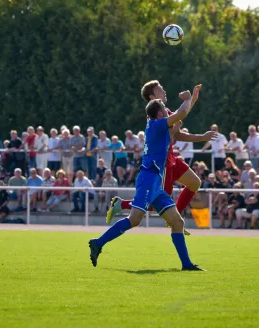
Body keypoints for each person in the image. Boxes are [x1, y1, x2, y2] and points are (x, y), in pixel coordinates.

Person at [89, 88, 203, 271]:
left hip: (156, 181)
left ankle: (187, 264)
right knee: (135, 219)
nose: (167, 112)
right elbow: (181, 113)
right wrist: (188, 98)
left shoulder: (157, 125)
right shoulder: (157, 124)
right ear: (160, 113)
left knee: (177, 222)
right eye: (165, 110)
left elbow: (177, 123)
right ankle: (98, 242)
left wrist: (191, 103)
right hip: (149, 178)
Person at [107, 81, 217, 228]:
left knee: (194, 182)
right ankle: (122, 204)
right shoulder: (155, 117)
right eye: (160, 90)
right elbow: (180, 117)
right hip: (162, 163)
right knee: (158, 203)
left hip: (171, 159)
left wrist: (193, 99)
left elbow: (178, 126)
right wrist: (189, 99)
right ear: (152, 97)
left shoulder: (163, 112)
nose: (164, 91)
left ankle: (175, 220)